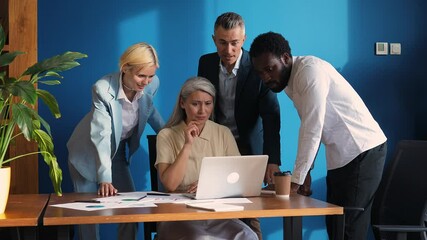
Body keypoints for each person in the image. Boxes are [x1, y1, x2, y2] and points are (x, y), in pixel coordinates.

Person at [249, 32, 388, 240]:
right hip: (341, 156)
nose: (266, 77)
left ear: (285, 58)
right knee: (335, 226)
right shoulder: (290, 81)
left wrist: (295, 182)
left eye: (270, 69)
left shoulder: (309, 72)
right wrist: (305, 173)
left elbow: (312, 127)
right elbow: (311, 127)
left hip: (361, 149)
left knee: (348, 229)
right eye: (260, 73)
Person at [67, 42, 165, 240]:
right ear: (125, 68)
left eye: (150, 75)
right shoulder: (102, 89)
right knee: (89, 216)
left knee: (129, 211)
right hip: (86, 153)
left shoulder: (151, 84)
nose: (146, 81)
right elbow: (101, 134)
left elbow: (150, 111)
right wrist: (105, 178)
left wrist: (169, 135)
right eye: (141, 75)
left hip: (117, 153)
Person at [154, 76, 258, 240]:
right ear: (183, 103)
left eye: (208, 104)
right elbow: (170, 184)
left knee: (248, 236)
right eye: (195, 104)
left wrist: (209, 185)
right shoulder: (166, 135)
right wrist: (187, 144)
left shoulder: (223, 133)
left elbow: (239, 180)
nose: (202, 111)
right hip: (179, 214)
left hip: (217, 212)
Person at [197, 12, 284, 186]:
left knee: (249, 203)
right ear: (214, 40)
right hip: (216, 147)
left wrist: (272, 160)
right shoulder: (205, 63)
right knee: (214, 202)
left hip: (249, 149)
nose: (228, 50)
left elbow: (271, 116)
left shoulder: (258, 67)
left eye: (234, 43)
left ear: (243, 40)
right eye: (222, 43)